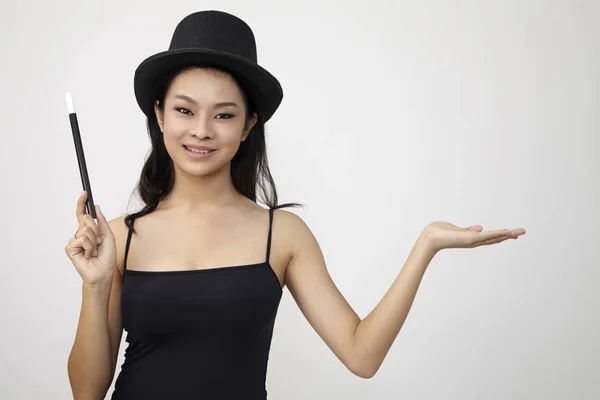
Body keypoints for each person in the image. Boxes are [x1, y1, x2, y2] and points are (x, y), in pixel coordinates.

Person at [64, 10, 526, 400]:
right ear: (160, 114)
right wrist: (96, 285)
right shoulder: (119, 237)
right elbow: (86, 393)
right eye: (185, 110)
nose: (202, 130)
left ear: (248, 126)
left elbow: (361, 356)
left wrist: (426, 245)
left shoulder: (281, 234)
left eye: (224, 114)